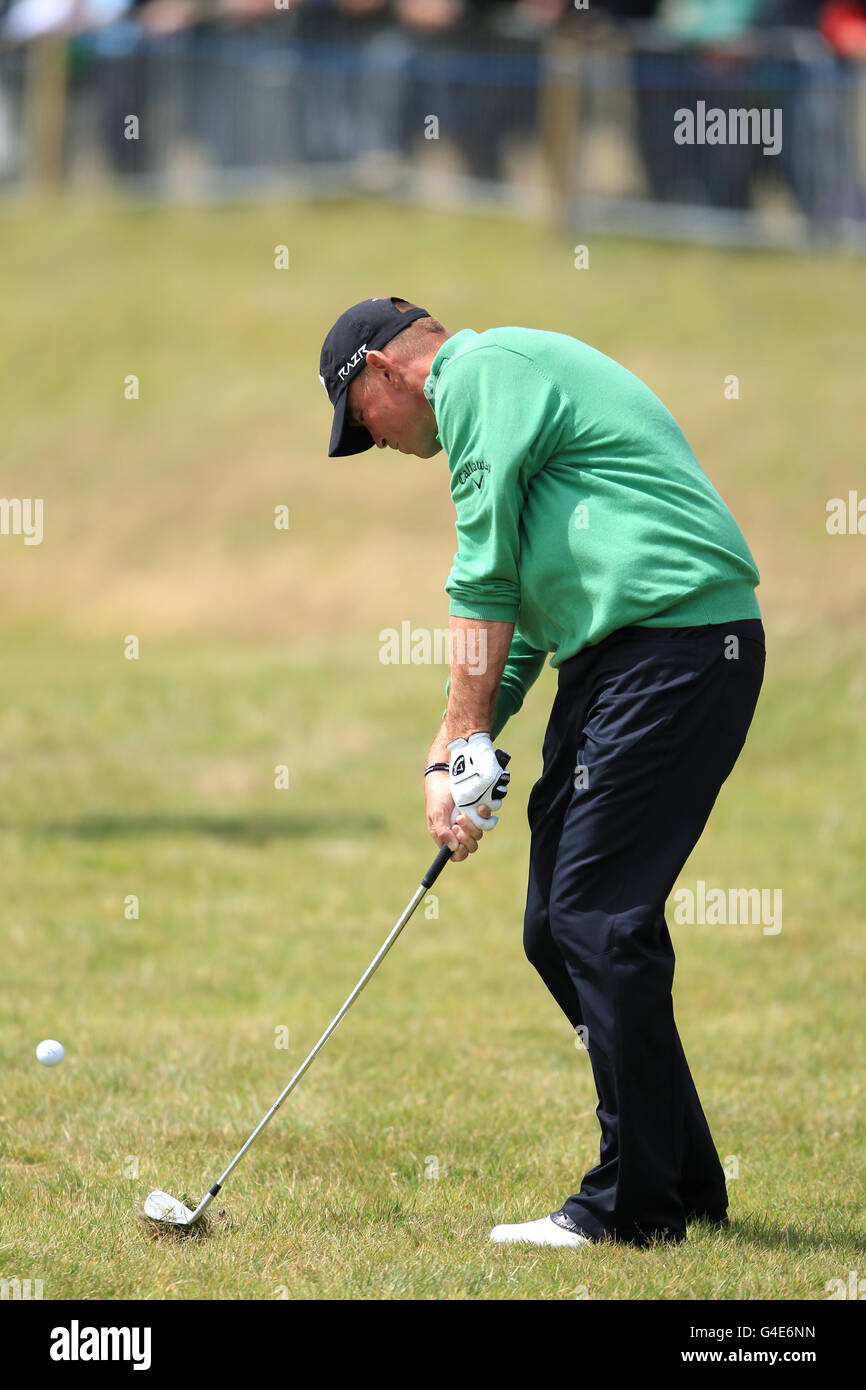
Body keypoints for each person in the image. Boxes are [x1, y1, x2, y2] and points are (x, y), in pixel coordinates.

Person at [318, 295, 766, 1249]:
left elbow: (479, 574)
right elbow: (516, 613)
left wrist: (454, 744)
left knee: (599, 917)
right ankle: (681, 1178)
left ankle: (631, 1205)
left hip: (678, 647)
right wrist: (472, 743)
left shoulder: (479, 374)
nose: (381, 443)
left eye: (364, 421)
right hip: (625, 660)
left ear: (383, 371)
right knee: (555, 930)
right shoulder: (501, 387)